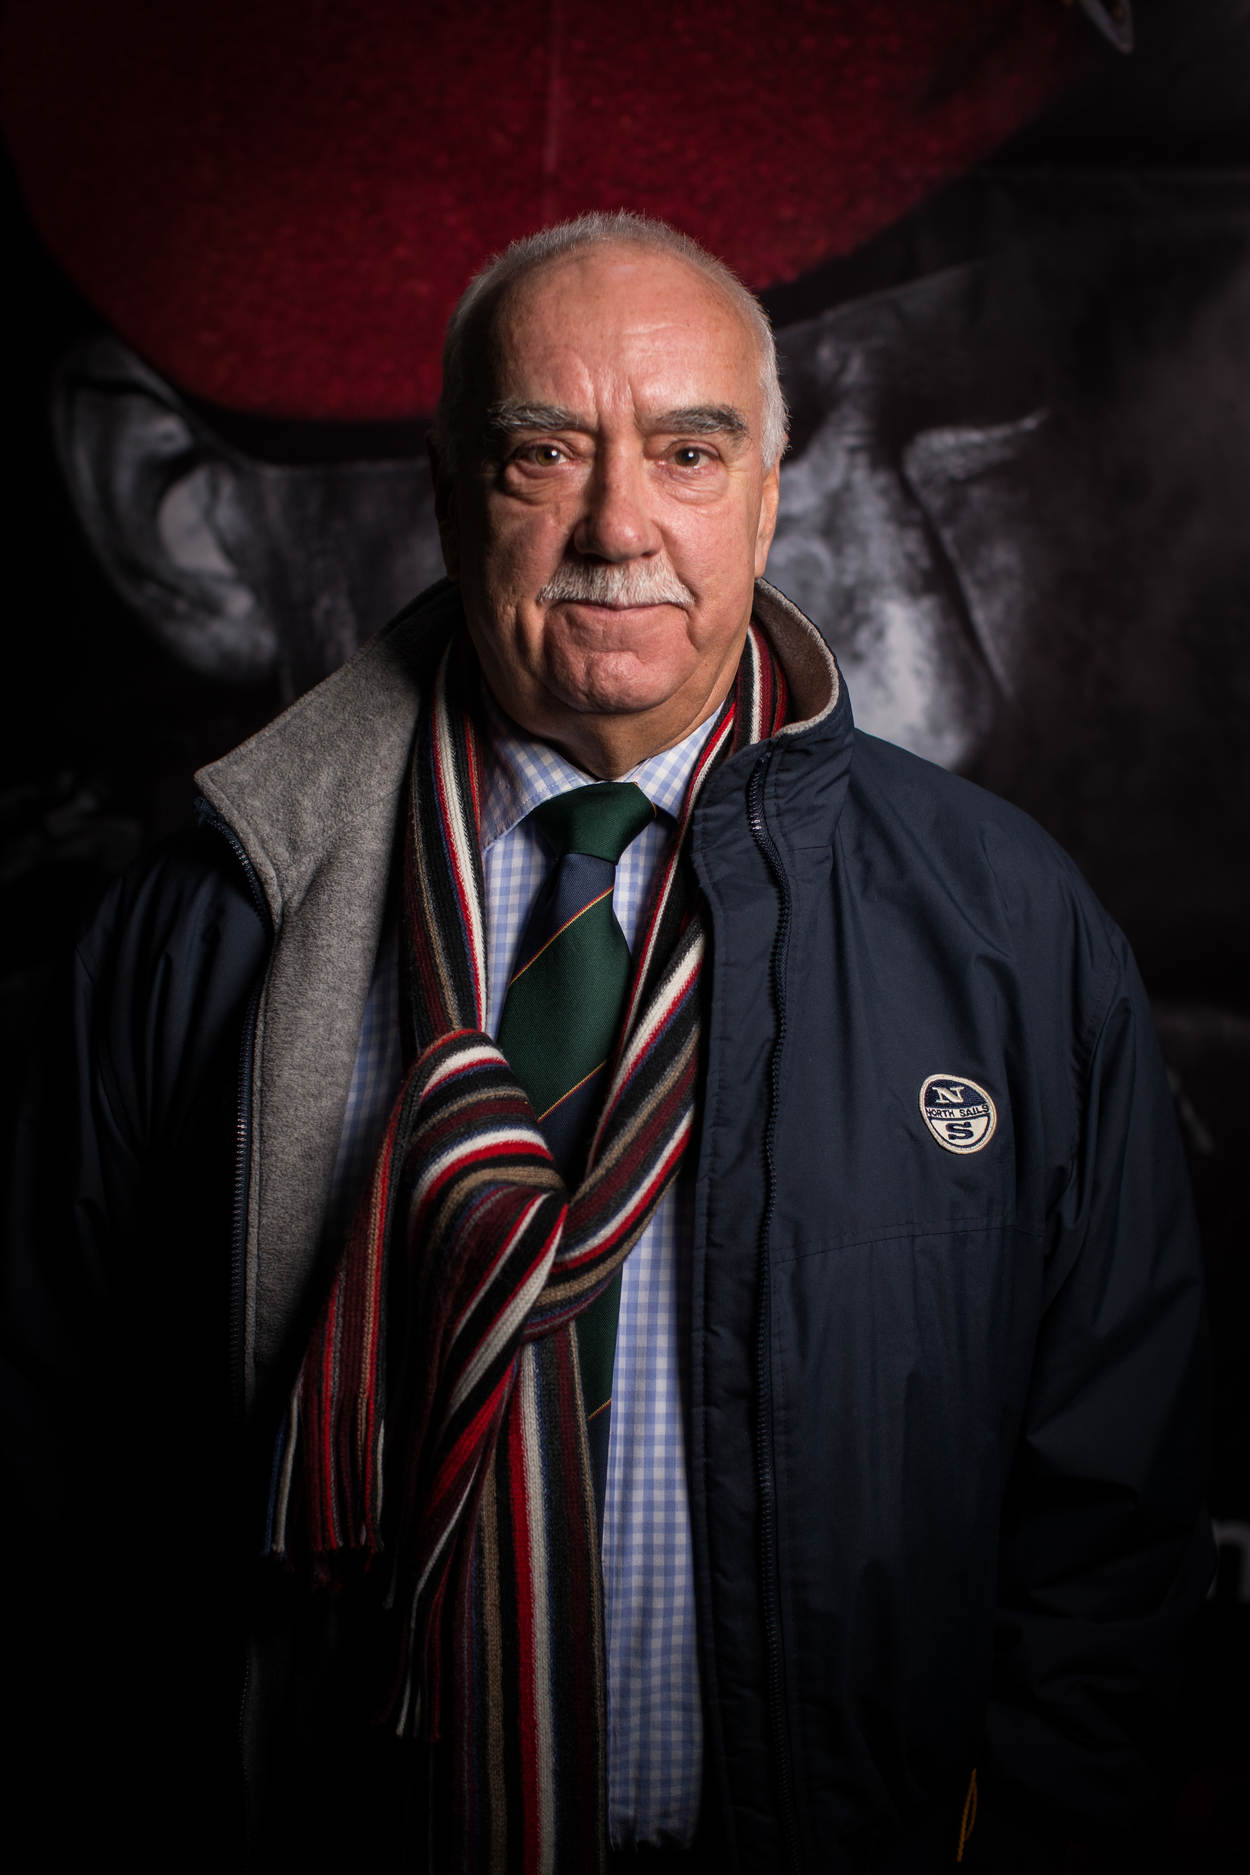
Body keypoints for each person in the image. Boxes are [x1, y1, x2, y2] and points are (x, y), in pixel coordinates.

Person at [5, 212, 1210, 1872]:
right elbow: (58, 1490)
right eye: (544, 454)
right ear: (448, 496)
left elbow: (1110, 1527)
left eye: (689, 452)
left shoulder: (1008, 929)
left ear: (761, 497)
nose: (618, 525)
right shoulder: (206, 932)